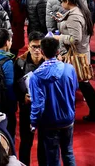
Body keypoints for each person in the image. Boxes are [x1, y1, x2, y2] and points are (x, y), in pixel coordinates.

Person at [29, 37, 78, 166]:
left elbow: (37, 104)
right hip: (68, 118)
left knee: (52, 157)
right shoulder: (69, 69)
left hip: (49, 123)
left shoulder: (36, 76)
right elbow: (75, 89)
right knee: (68, 152)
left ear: (42, 52)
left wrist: (33, 122)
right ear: (57, 51)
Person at [57, 0, 95, 121]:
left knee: (80, 84)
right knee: (83, 84)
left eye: (62, 2)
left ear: (66, 1)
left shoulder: (75, 16)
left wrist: (58, 37)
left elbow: (75, 38)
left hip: (76, 56)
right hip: (82, 53)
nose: (61, 5)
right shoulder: (80, 11)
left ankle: (92, 112)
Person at [14, 32, 45, 166]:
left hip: (45, 109)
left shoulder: (49, 62)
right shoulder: (20, 62)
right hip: (27, 108)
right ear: (28, 46)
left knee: (44, 142)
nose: (37, 50)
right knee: (26, 141)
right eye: (34, 47)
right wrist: (22, 97)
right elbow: (14, 84)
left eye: (39, 47)